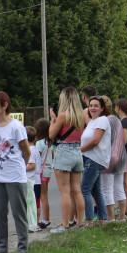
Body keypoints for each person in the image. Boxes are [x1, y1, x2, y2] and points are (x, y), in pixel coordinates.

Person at [0, 91, 31, 253]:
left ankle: (22, 251)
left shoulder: (16, 127)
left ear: (4, 105)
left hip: (15, 177)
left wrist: (20, 167)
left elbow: (26, 150)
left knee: (18, 214)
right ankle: (2, 249)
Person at [48, 86, 85, 232]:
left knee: (65, 191)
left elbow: (51, 134)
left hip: (64, 151)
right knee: (77, 191)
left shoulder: (63, 115)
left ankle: (65, 225)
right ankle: (80, 223)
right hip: (77, 151)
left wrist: (52, 120)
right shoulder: (81, 116)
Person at [79, 95, 110, 224]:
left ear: (102, 108)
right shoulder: (92, 121)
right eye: (91, 105)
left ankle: (89, 220)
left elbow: (95, 140)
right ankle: (102, 219)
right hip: (89, 158)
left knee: (85, 189)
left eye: (96, 106)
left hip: (94, 159)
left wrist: (79, 150)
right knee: (95, 190)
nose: (92, 108)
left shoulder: (102, 120)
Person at [98, 96, 126, 223]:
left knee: (106, 188)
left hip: (109, 157)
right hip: (120, 156)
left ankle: (110, 217)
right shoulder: (116, 119)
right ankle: (122, 216)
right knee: (119, 187)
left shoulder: (103, 121)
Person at [33, 118, 53, 229]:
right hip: (48, 171)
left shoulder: (40, 143)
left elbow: (37, 156)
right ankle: (46, 219)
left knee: (42, 197)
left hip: (41, 172)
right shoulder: (49, 142)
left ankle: (44, 220)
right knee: (45, 196)